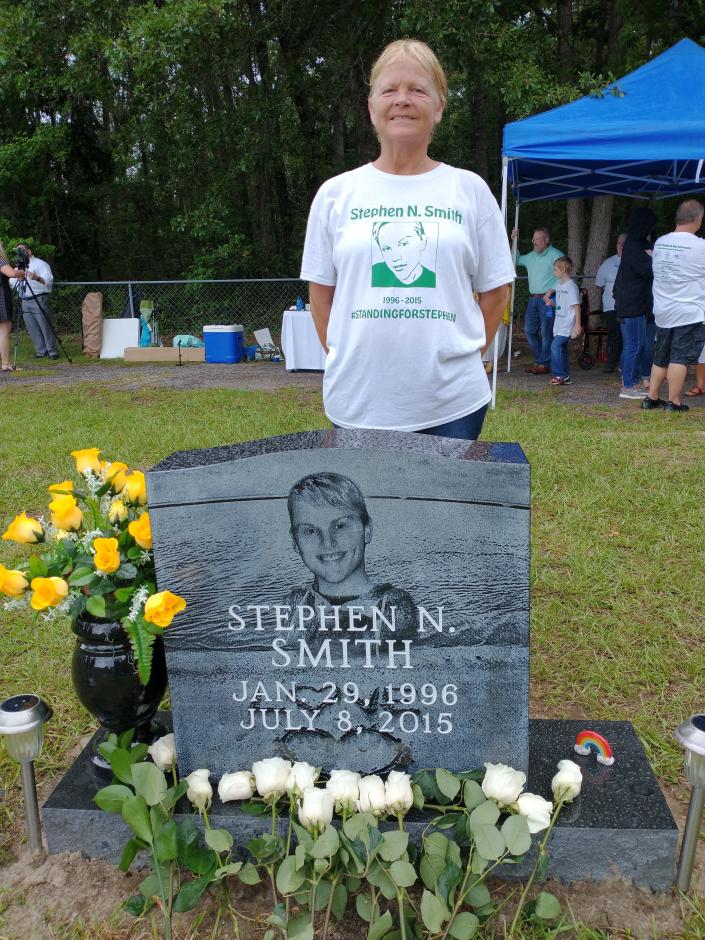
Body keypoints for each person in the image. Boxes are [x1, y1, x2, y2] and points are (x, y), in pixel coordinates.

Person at [301, 39, 514, 442]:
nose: (402, 100)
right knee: (366, 507)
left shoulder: (469, 191)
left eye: (417, 90)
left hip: (453, 404)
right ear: (371, 109)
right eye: (389, 90)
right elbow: (321, 295)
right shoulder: (335, 194)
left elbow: (496, 294)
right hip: (358, 400)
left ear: (439, 108)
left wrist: (462, 359)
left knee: (445, 506)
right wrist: (349, 359)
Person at [285, 472, 416, 647]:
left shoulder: (393, 604)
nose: (328, 543)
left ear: (366, 530)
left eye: (340, 526)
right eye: (310, 531)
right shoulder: (296, 601)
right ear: (295, 542)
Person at [641, 199, 705, 413]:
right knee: (680, 357)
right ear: (697, 219)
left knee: (661, 356)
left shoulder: (660, 242)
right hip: (689, 311)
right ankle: (674, 401)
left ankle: (651, 398)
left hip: (663, 311)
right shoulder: (699, 245)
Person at [613, 207, 657, 399]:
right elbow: (647, 271)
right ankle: (629, 386)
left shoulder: (633, 244)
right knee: (634, 345)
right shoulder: (635, 247)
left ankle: (631, 382)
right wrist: (653, 259)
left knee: (633, 344)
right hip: (632, 304)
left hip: (629, 303)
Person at [512, 227, 565, 374]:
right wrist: (514, 240)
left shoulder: (556, 255)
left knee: (547, 332)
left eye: (537, 239)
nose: (534, 242)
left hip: (548, 300)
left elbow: (564, 275)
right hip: (533, 300)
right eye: (533, 239)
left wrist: (551, 290)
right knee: (529, 331)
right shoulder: (532, 256)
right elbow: (515, 260)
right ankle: (542, 361)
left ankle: (543, 363)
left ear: (546, 240)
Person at [10, 243, 57, 359]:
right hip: (24, 299)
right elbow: (11, 282)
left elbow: (48, 281)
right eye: (18, 251)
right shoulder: (18, 267)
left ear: (29, 251)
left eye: (21, 250)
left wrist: (37, 278)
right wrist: (18, 276)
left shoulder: (41, 264)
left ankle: (52, 351)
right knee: (32, 327)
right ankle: (41, 351)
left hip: (39, 298)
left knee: (45, 325)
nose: (19, 253)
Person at [544, 256, 582, 386]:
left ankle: (560, 374)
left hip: (567, 323)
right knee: (561, 348)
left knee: (555, 346)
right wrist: (553, 305)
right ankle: (565, 376)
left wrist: (577, 324)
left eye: (555, 270)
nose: (553, 272)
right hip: (559, 323)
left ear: (564, 269)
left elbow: (576, 305)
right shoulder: (559, 286)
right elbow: (562, 305)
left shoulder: (571, 286)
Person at [594, 233, 626, 373]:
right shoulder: (608, 263)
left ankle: (625, 364)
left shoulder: (635, 260)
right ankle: (611, 363)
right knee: (614, 334)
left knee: (627, 335)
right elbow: (599, 284)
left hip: (629, 306)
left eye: (625, 243)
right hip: (611, 306)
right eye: (619, 243)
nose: (622, 246)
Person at [0, 242, 26, 373]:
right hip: (1, 296)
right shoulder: (0, 260)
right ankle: (5, 364)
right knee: (4, 332)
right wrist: (21, 271)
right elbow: (11, 273)